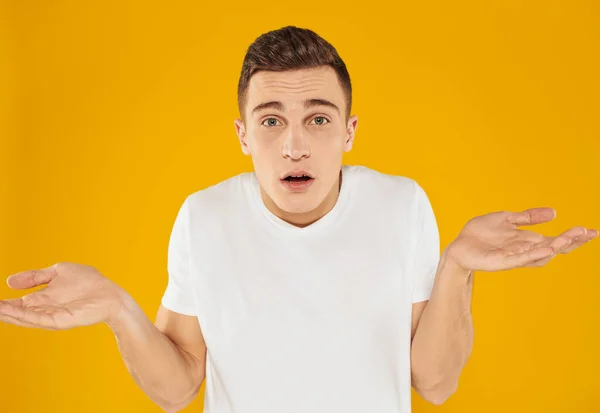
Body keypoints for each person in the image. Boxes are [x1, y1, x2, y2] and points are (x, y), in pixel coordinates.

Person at [0, 26, 597, 413]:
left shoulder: (402, 205)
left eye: (316, 118)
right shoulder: (203, 216)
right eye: (269, 120)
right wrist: (117, 309)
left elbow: (435, 384)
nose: (293, 145)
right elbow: (179, 386)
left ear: (348, 131)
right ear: (242, 135)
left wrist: (458, 269)